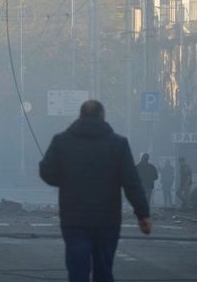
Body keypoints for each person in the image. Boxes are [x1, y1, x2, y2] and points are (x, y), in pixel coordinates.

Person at [39, 100, 151, 282]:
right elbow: (132, 182)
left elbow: (46, 171)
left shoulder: (62, 142)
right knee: (104, 270)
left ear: (80, 116)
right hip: (107, 219)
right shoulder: (118, 144)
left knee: (77, 270)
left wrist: (64, 181)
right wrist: (143, 215)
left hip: (73, 218)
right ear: (103, 117)